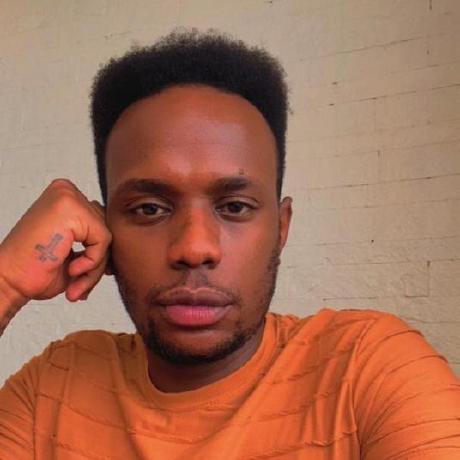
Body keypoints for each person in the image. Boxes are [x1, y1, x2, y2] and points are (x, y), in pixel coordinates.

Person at [0, 30, 458, 459]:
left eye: (235, 207)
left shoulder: (368, 371)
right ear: (103, 232)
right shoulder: (53, 388)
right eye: (149, 209)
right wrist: (6, 282)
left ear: (281, 228)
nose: (195, 248)